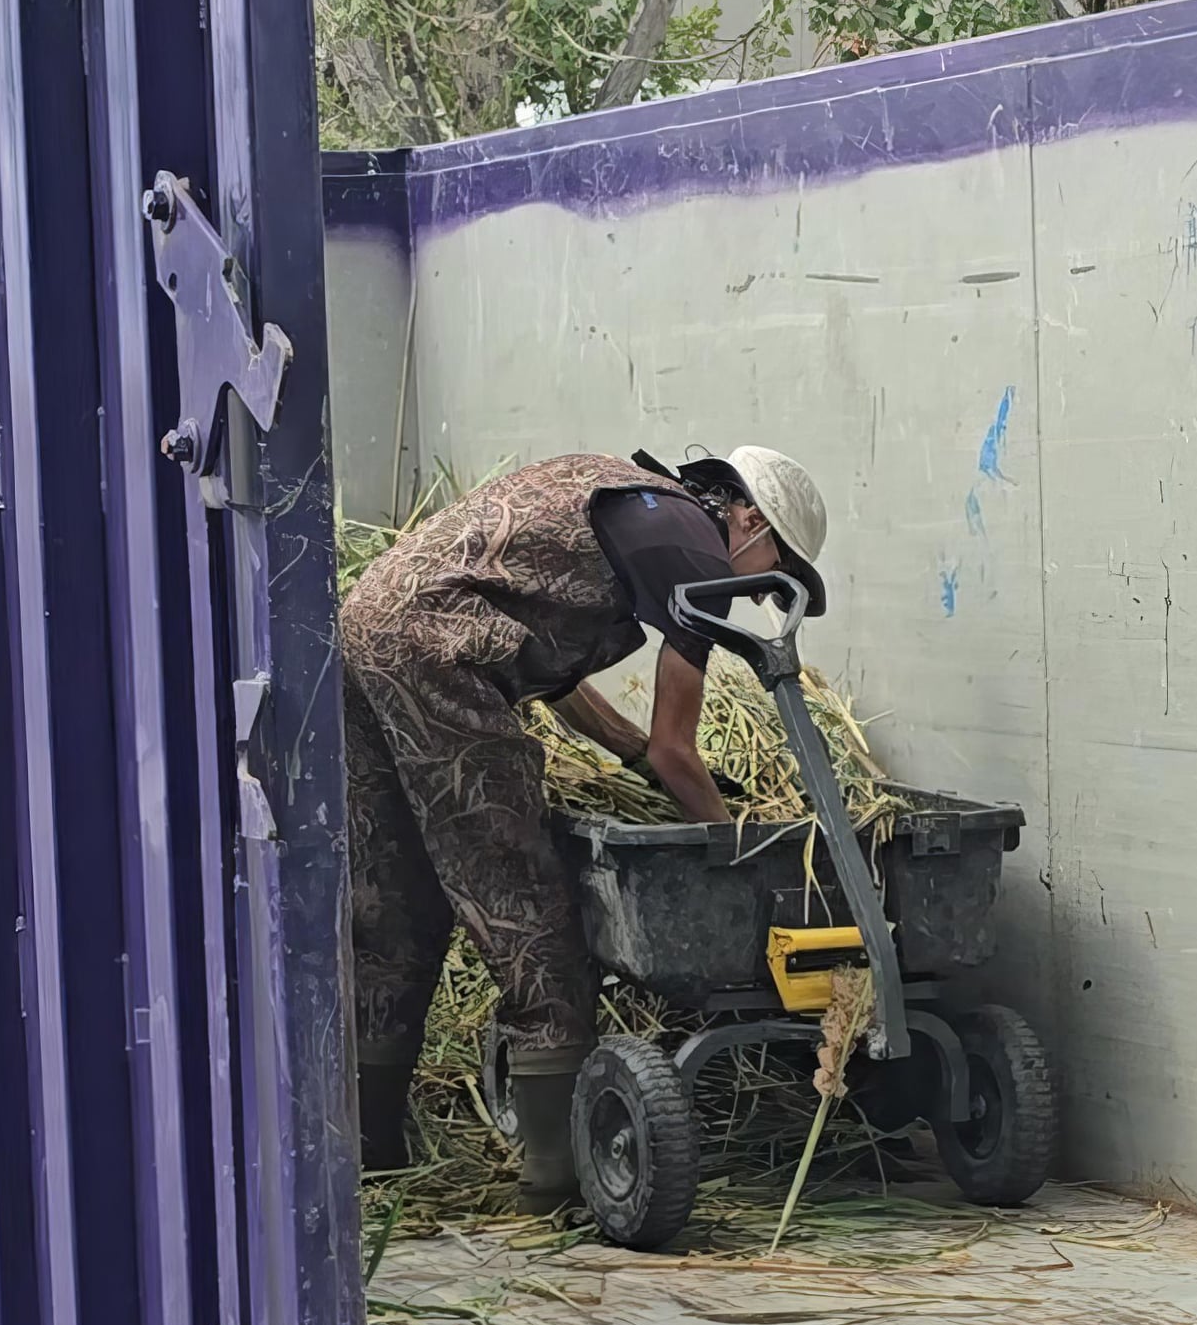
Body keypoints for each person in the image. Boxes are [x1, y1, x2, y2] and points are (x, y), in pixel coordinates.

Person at [335, 446, 833, 1203]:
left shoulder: (630, 495)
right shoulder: (700, 554)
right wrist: (736, 846)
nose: (766, 595)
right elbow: (679, 749)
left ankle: (366, 1150)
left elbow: (551, 671)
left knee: (398, 896)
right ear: (751, 520)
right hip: (438, 657)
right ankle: (556, 1180)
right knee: (529, 902)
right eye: (778, 570)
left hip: (364, 634)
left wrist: (627, 750)